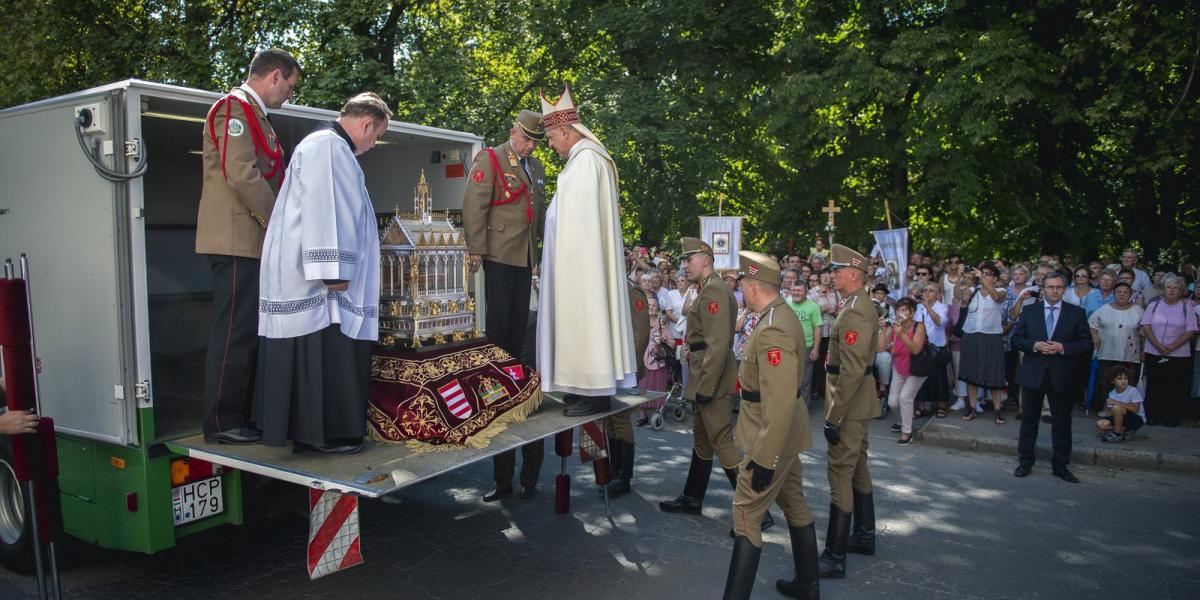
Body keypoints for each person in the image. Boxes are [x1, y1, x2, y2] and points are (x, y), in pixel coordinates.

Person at [256, 92, 389, 454]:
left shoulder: (329, 147)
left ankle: (321, 432)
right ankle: (327, 434)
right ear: (366, 124)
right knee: (326, 356)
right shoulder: (328, 147)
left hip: (318, 278)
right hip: (320, 284)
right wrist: (334, 270)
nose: (373, 144)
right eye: (375, 136)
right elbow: (327, 210)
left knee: (325, 353)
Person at [197, 48, 300, 445]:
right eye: (290, 86)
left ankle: (239, 415)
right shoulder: (233, 110)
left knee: (249, 332)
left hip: (252, 239)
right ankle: (222, 422)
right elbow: (242, 174)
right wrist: (279, 221)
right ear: (274, 76)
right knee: (234, 333)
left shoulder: (258, 118)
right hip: (237, 238)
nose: (290, 94)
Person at [463, 109, 548, 502]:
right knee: (500, 330)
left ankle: (515, 368)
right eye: (526, 138)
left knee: (519, 328)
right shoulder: (492, 158)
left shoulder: (536, 167)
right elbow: (475, 205)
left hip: (523, 256)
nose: (529, 146)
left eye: (534, 142)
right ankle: (501, 367)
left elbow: (537, 216)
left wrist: (539, 254)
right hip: (497, 254)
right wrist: (475, 250)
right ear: (513, 131)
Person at [721, 251, 817, 600]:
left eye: (741, 284)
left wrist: (764, 457)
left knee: (745, 512)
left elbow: (777, 401)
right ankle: (808, 584)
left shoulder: (774, 325)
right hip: (784, 432)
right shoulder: (779, 315)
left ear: (750, 286)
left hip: (772, 435)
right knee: (793, 501)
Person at [536, 84, 637, 416]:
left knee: (585, 320)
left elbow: (579, 227)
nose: (550, 145)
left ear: (565, 130)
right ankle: (580, 388)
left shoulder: (586, 163)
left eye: (551, 137)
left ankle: (593, 392)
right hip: (575, 263)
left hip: (580, 266)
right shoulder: (584, 161)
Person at [661, 238, 773, 530]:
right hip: (703, 374)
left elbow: (719, 344)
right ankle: (692, 497)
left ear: (705, 259)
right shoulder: (708, 289)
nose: (684, 265)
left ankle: (756, 510)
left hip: (711, 377)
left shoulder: (713, 290)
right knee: (702, 439)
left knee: (722, 440)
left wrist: (707, 388)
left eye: (689, 259)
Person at [819, 243, 882, 580]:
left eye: (837, 270)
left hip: (849, 402)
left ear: (854, 274)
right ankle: (863, 535)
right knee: (857, 467)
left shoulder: (856, 309)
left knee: (840, 471)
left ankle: (834, 555)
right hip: (857, 402)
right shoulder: (857, 304)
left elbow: (852, 371)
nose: (833, 275)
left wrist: (834, 415)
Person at [1011, 273, 1093, 482]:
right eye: (1050, 287)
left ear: (1064, 289)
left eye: (1059, 287)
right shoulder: (1030, 311)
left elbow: (1086, 344)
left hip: (1062, 375)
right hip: (1033, 374)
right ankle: (1025, 462)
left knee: (1062, 424)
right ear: (1043, 288)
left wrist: (1063, 347)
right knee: (1029, 422)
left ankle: (1061, 466)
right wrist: (1035, 345)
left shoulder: (1076, 313)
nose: (1055, 290)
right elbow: (1017, 340)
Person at [1139, 274, 1197, 427]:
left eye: (1176, 288)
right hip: (1154, 350)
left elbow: (1190, 330)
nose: (1172, 291)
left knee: (1174, 385)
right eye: (1169, 287)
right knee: (1154, 384)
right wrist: (1157, 345)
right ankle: (1152, 415)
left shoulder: (1187, 307)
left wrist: (1172, 347)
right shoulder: (1154, 305)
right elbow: (1146, 326)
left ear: (1181, 290)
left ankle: (1171, 416)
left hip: (1178, 354)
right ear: (1163, 289)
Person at [960, 262, 1009, 424]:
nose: (984, 275)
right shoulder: (973, 291)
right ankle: (972, 407)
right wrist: (961, 276)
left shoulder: (1001, 291)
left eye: (988, 274)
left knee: (994, 372)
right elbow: (959, 296)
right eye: (983, 273)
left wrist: (982, 278)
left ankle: (997, 409)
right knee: (971, 372)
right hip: (971, 335)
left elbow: (996, 297)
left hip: (992, 336)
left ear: (995, 278)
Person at [1087, 282, 1143, 412]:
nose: (1122, 294)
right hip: (1107, 352)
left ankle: (1127, 411)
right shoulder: (1104, 309)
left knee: (1127, 383)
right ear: (1114, 294)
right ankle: (1106, 410)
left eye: (1125, 292)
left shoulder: (1138, 311)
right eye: (1119, 292)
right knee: (1105, 382)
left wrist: (1144, 349)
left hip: (1129, 354)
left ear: (1130, 295)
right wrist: (1095, 336)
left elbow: (1144, 332)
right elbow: (1092, 324)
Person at [887, 298, 928, 444]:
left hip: (917, 368)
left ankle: (907, 432)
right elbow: (881, 347)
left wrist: (902, 334)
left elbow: (916, 350)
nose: (900, 313)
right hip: (899, 367)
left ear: (912, 313)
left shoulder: (919, 326)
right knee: (892, 402)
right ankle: (902, 420)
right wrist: (882, 329)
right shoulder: (893, 326)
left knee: (905, 398)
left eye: (904, 310)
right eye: (898, 309)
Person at [786, 282, 823, 403]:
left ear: (806, 292)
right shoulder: (787, 303)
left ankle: (803, 409)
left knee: (805, 380)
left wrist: (815, 349)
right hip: (788, 346)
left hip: (806, 347)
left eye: (799, 290)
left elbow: (817, 328)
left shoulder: (813, 307)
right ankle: (789, 408)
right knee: (789, 378)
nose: (796, 293)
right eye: (794, 290)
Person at [1095, 364, 1144, 443]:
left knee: (1117, 408)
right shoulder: (1112, 393)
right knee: (1100, 424)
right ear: (1112, 381)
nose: (1123, 381)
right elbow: (1111, 413)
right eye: (1119, 379)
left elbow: (1135, 410)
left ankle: (1116, 434)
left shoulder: (1133, 391)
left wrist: (1117, 402)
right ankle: (1122, 431)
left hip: (1135, 418)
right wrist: (1107, 408)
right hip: (1121, 417)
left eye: (1125, 378)